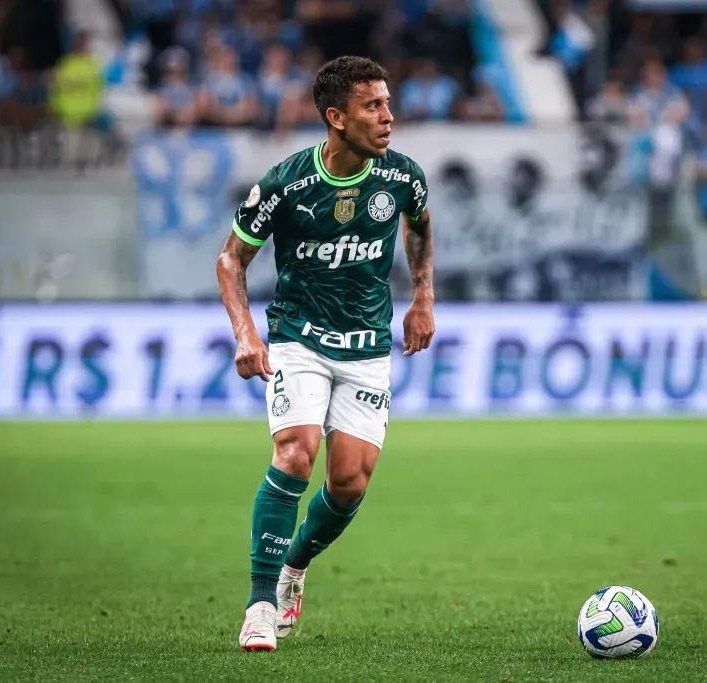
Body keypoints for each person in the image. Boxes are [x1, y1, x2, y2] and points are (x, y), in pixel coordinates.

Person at [215, 55, 435, 653]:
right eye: (374, 106)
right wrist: (245, 333)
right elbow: (231, 259)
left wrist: (422, 296)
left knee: (349, 484)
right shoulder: (288, 184)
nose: (388, 116)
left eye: (388, 103)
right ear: (337, 118)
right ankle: (260, 603)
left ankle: (293, 567)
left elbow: (418, 225)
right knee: (295, 453)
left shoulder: (403, 177)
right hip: (298, 339)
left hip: (366, 346)